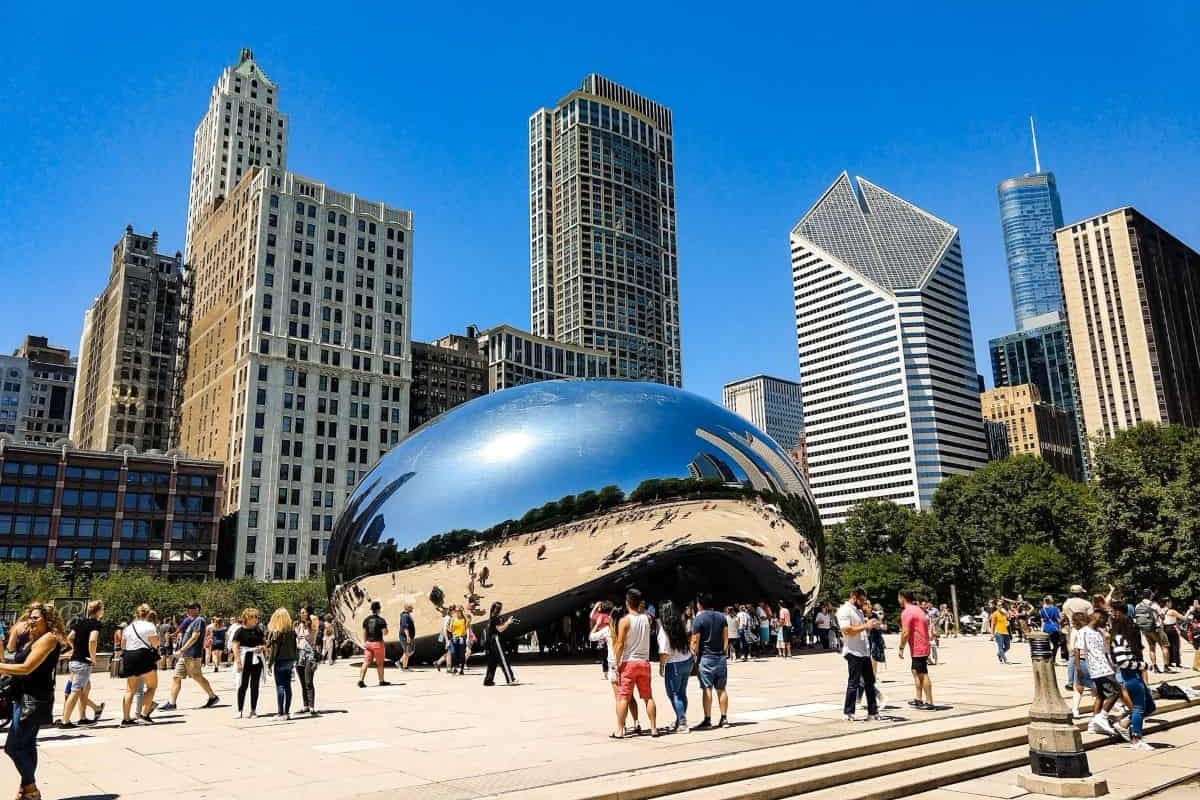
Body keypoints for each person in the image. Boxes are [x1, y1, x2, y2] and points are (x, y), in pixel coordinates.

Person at [0, 602, 66, 800]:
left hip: (34, 699)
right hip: (22, 696)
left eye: (36, 617)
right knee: (27, 745)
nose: (31, 620)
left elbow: (27, 667)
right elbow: (15, 659)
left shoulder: (49, 638)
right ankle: (26, 790)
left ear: (48, 620)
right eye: (30, 617)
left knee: (13, 747)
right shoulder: (34, 639)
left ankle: (31, 788)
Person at [610, 588, 658, 738]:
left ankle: (619, 729)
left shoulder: (625, 621)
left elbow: (620, 644)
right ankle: (653, 728)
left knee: (623, 696)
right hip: (644, 662)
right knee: (648, 696)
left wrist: (616, 663)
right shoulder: (647, 619)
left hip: (629, 662)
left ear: (627, 603)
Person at [160, 602, 219, 711]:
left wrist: (182, 649)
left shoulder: (199, 620)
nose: (188, 610)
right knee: (176, 677)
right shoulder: (191, 621)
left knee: (197, 676)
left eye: (191, 608)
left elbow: (195, 637)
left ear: (197, 609)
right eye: (188, 608)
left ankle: (212, 696)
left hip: (192, 654)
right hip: (185, 655)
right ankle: (172, 703)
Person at [1111, 604, 1154, 750]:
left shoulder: (1127, 639)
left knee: (1149, 706)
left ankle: (1125, 724)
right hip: (1130, 675)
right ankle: (1136, 738)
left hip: (1134, 674)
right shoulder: (1119, 640)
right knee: (1139, 707)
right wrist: (1142, 666)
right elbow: (1122, 662)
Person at [590, 606, 639, 732]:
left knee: (618, 698)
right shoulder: (628, 629)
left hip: (614, 666)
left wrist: (596, 624)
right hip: (627, 664)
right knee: (630, 696)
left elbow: (592, 637)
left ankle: (621, 725)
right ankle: (636, 722)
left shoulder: (608, 630)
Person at [59, 600, 105, 727]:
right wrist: (93, 657)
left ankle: (83, 717)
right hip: (83, 662)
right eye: (102, 608)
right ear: (98, 610)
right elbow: (92, 641)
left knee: (85, 689)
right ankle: (65, 721)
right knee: (75, 691)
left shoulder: (80, 622)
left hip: (74, 660)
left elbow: (69, 637)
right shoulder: (95, 624)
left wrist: (75, 648)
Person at [838, 587, 880, 722]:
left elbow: (862, 630)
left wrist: (871, 626)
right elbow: (846, 630)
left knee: (870, 682)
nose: (863, 603)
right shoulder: (845, 610)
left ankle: (873, 712)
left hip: (863, 651)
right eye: (861, 600)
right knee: (854, 682)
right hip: (853, 651)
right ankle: (848, 712)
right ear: (854, 597)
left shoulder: (858, 611)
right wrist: (865, 626)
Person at [1077, 609, 1119, 736]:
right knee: (1116, 691)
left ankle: (1093, 723)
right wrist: (1078, 667)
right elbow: (1077, 649)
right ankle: (1102, 717)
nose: (1105, 623)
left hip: (1105, 665)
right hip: (1097, 668)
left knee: (1101, 695)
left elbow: (1105, 651)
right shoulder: (1083, 632)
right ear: (1097, 618)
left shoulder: (1100, 633)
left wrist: (1111, 664)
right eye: (1104, 620)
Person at [690, 593, 729, 731]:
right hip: (720, 657)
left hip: (706, 658)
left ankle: (707, 719)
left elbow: (695, 641)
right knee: (721, 689)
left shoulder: (699, 619)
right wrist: (723, 653)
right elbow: (726, 638)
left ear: (699, 604)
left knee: (707, 688)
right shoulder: (721, 617)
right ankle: (724, 718)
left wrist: (693, 654)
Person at [118, 603, 160, 726]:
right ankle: (144, 714)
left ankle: (126, 719)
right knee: (152, 686)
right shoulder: (150, 626)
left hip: (129, 656)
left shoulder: (128, 627)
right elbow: (155, 644)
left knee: (130, 689)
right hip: (144, 656)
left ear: (136, 614)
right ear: (148, 614)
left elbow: (122, 646)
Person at [657, 601, 693, 732]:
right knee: (682, 692)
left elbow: (664, 651)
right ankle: (679, 719)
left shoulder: (664, 629)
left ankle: (682, 722)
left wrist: (661, 666)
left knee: (673, 694)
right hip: (687, 660)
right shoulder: (680, 624)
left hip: (674, 664)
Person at [898, 590, 936, 711]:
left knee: (922, 673)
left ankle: (929, 701)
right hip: (922, 645)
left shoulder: (907, 612)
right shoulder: (918, 609)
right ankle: (918, 699)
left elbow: (905, 633)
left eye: (899, 598)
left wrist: (901, 647)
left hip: (918, 646)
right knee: (915, 671)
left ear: (902, 598)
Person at [232, 608, 266, 718]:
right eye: (253, 617)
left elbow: (264, 643)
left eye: (256, 617)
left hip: (257, 658)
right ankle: (240, 710)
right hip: (245, 658)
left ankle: (253, 710)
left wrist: (262, 647)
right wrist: (238, 662)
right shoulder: (240, 631)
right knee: (243, 685)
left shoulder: (258, 630)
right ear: (246, 618)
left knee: (255, 685)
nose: (255, 619)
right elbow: (235, 646)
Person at [266, 608, 298, 720]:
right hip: (290, 660)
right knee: (288, 686)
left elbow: (274, 651)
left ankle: (280, 712)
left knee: (280, 686)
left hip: (280, 660)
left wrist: (270, 664)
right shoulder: (292, 632)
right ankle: (287, 712)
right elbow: (295, 647)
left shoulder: (277, 633)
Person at [483, 601, 517, 686]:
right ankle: (510, 679)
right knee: (503, 660)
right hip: (496, 639)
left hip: (491, 641)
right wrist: (508, 623)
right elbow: (500, 629)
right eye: (498, 608)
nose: (499, 609)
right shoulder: (495, 617)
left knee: (492, 661)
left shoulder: (494, 617)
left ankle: (488, 680)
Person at [358, 601, 390, 688]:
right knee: (380, 664)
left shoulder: (366, 620)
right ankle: (381, 681)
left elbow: (364, 632)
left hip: (368, 643)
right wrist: (386, 629)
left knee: (366, 662)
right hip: (378, 644)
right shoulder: (381, 620)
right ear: (379, 609)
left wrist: (365, 643)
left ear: (371, 609)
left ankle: (361, 680)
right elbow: (385, 633)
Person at [294, 608, 319, 715]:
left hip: (310, 655)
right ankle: (306, 706)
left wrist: (309, 617)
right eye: (301, 612)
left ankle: (312, 706)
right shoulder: (300, 625)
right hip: (299, 654)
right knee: (303, 682)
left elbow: (315, 619)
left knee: (308, 681)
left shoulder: (312, 624)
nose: (301, 614)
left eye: (304, 612)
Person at [1039, 595, 1063, 662]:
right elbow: (1058, 619)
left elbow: (1042, 620)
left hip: (1046, 628)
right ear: (1051, 600)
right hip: (1054, 628)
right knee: (1056, 644)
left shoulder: (1042, 610)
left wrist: (1041, 629)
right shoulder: (1055, 609)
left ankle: (1047, 658)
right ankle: (1053, 658)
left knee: (1047, 644)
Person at [447, 606, 469, 676]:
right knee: (454, 653)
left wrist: (467, 638)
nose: (457, 612)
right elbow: (451, 629)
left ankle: (461, 669)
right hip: (454, 638)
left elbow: (468, 624)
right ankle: (454, 668)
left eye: (458, 611)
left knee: (462, 654)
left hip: (461, 638)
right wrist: (448, 628)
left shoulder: (464, 619)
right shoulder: (453, 619)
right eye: (456, 611)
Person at [398, 604, 416, 671]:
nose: (412, 609)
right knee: (407, 651)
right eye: (411, 607)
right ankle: (404, 667)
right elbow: (405, 627)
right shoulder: (405, 616)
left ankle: (400, 662)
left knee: (410, 651)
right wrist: (408, 636)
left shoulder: (407, 615)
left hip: (410, 636)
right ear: (408, 608)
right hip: (405, 636)